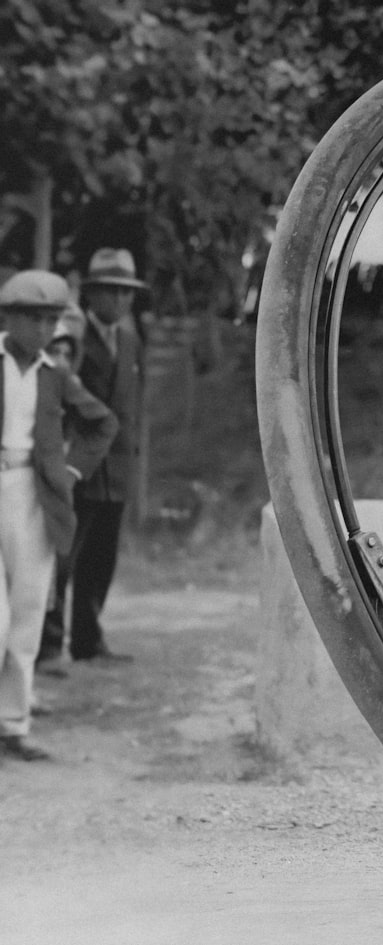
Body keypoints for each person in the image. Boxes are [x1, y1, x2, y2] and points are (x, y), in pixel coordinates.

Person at [0, 271, 117, 760]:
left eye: (51, 320)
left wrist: (69, 471)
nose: (44, 330)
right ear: (9, 318)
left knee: (27, 610)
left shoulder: (55, 373)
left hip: (36, 496)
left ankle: (12, 724)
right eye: (34, 319)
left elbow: (102, 422)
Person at [40, 248, 145, 665]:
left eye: (127, 292)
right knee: (61, 560)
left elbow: (134, 404)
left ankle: (88, 642)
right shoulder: (72, 338)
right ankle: (48, 646)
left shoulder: (131, 337)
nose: (120, 301)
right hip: (77, 467)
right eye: (111, 291)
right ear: (91, 293)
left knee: (101, 562)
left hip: (117, 469)